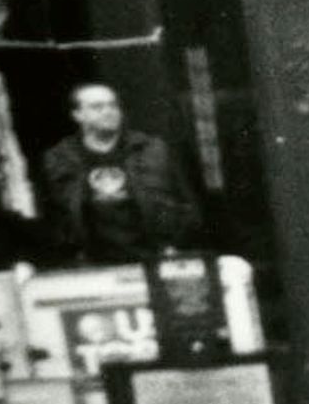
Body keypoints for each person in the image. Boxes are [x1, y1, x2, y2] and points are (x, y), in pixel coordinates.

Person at [32, 80, 199, 269]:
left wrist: (173, 245)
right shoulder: (59, 159)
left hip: (154, 259)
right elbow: (51, 217)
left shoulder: (153, 150)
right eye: (97, 107)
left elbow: (186, 204)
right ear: (77, 115)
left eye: (113, 105)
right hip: (90, 266)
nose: (108, 111)